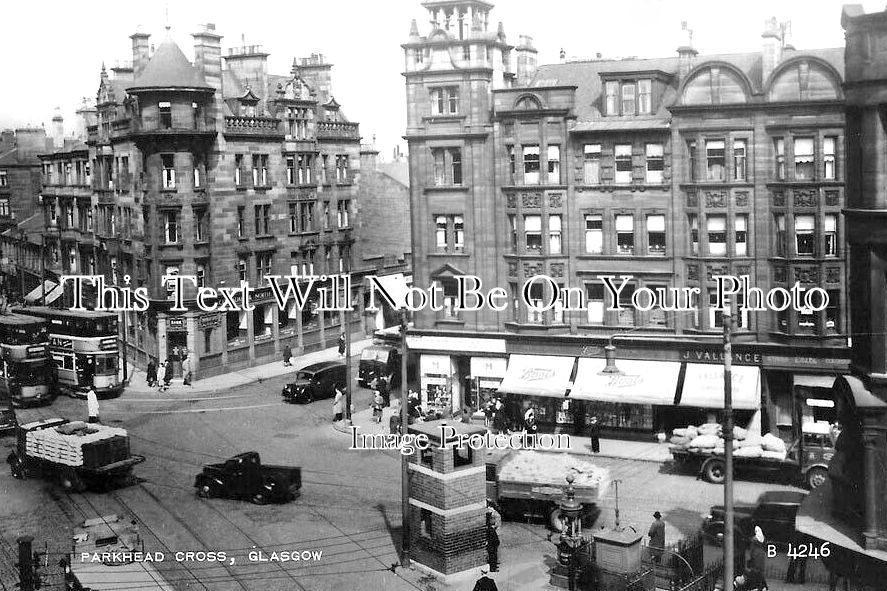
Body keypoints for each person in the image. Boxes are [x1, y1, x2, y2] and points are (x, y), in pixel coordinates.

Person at [486, 501, 501, 572]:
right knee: (493, 554)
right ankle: (493, 566)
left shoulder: (496, 515)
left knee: (493, 554)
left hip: (493, 542)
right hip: (493, 543)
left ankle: (494, 565)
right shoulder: (491, 529)